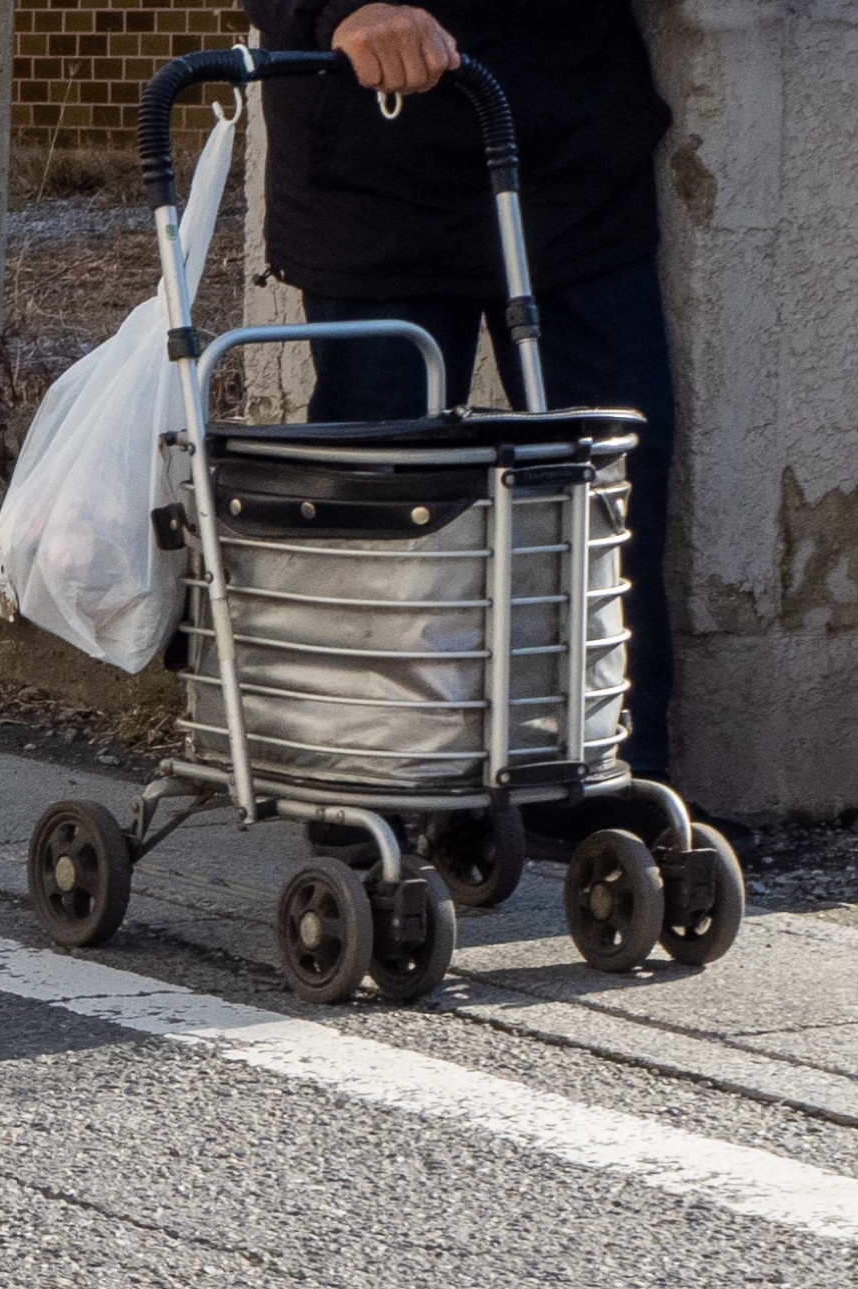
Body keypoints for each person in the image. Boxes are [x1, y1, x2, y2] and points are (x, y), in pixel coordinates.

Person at [238, 0, 679, 778]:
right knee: (383, 495)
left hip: (568, 153)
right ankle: (373, 778)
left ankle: (606, 777)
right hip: (369, 165)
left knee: (609, 485)